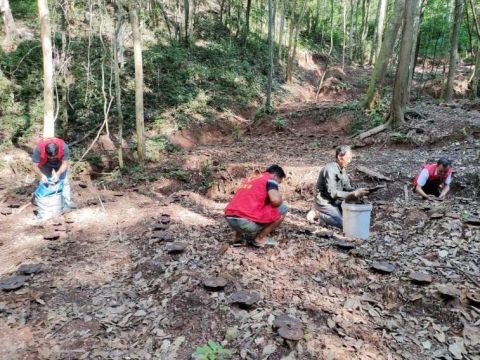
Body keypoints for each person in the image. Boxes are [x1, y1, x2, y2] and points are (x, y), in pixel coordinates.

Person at [224, 165, 288, 248]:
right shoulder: (271, 180)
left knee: (244, 205)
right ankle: (260, 238)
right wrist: (280, 198)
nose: (277, 184)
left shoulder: (251, 178)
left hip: (230, 220)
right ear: (275, 176)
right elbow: (275, 201)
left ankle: (238, 238)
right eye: (279, 182)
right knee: (283, 208)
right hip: (245, 223)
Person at [307, 145, 368, 229]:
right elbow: (333, 193)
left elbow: (348, 188)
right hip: (325, 202)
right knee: (344, 225)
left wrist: (359, 191)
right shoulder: (330, 169)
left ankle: (331, 214)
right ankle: (318, 214)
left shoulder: (342, 169)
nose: (349, 161)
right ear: (340, 157)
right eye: (348, 158)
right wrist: (353, 193)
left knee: (354, 215)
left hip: (336, 201)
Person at [32, 137, 75, 211]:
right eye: (50, 157)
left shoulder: (64, 147)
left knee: (64, 182)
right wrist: (42, 175)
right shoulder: (38, 149)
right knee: (45, 182)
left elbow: (65, 164)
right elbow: (34, 166)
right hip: (45, 164)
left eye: (54, 156)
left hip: (60, 164)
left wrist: (57, 174)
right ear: (45, 152)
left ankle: (66, 203)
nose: (52, 158)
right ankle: (44, 203)